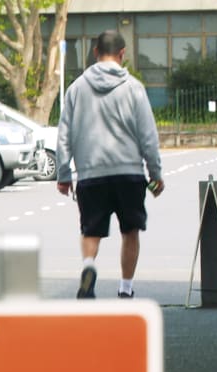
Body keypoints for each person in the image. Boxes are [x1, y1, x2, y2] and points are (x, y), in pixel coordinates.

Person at [56, 30, 163, 299]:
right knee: (130, 231)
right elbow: (147, 135)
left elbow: (64, 134)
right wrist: (155, 171)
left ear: (95, 52)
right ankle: (125, 288)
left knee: (91, 231)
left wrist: (64, 173)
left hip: (91, 174)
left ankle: (89, 268)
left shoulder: (76, 88)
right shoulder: (134, 88)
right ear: (123, 54)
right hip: (129, 173)